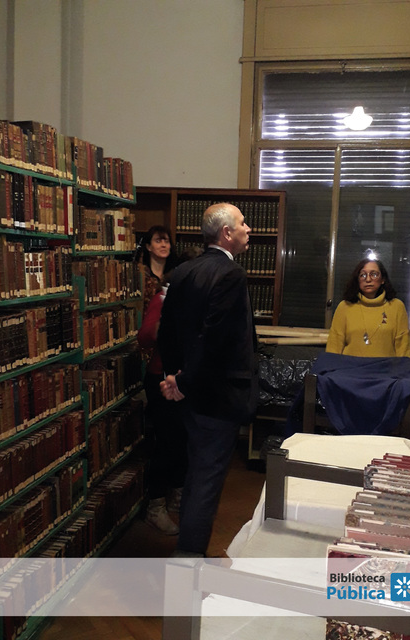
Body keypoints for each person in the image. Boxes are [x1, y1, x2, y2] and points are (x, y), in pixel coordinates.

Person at [158, 202, 258, 557]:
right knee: (205, 482)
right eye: (243, 224)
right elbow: (215, 342)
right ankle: (189, 562)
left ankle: (188, 554)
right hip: (216, 398)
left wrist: (172, 376)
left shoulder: (183, 272)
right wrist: (182, 382)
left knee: (195, 475)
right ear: (226, 234)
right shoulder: (231, 276)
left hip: (188, 397)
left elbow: (166, 332)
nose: (250, 230)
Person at [137, 247, 202, 536]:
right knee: (166, 443)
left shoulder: (192, 299)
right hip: (161, 379)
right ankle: (156, 506)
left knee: (183, 441)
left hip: (184, 380)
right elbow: (146, 336)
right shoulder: (163, 298)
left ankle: (176, 496)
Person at [326, 258, 410, 358]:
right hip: (350, 369)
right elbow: (334, 345)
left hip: (386, 370)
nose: (368, 279)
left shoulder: (397, 306)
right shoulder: (344, 307)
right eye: (362, 275)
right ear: (357, 280)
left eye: (374, 274)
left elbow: (403, 347)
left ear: (383, 279)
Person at [140, 225, 178, 315]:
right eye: (158, 241)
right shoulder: (141, 274)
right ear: (149, 247)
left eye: (166, 241)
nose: (163, 245)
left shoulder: (176, 274)